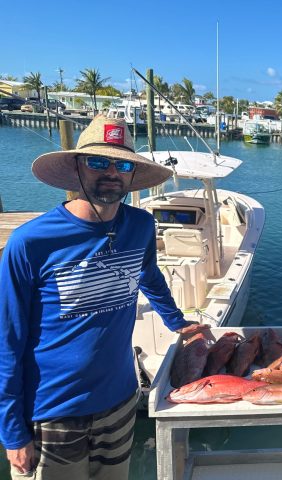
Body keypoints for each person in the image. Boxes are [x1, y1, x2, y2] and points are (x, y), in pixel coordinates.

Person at [0, 115, 198, 479]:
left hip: (120, 403)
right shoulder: (30, 242)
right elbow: (7, 341)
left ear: (132, 175)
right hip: (53, 413)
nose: (111, 172)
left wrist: (177, 321)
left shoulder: (140, 225)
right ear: (77, 167)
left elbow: (149, 275)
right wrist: (12, 430)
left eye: (122, 164)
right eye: (97, 162)